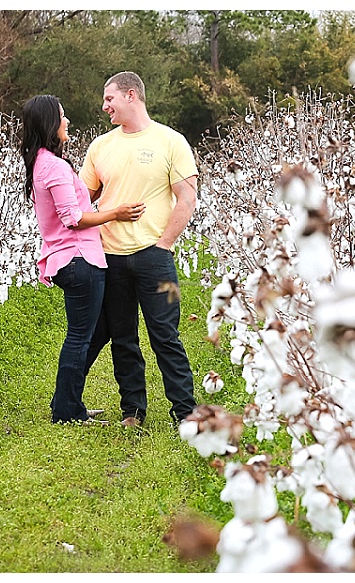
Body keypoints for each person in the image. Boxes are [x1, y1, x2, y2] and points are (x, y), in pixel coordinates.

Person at [80, 71, 198, 428]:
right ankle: (133, 410)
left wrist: (164, 245)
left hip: (156, 258)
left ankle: (185, 412)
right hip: (110, 259)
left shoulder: (171, 141)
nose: (104, 107)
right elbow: (82, 199)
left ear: (131, 95)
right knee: (123, 336)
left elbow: (187, 196)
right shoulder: (100, 147)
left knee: (166, 335)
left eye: (109, 99)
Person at [20, 94, 140, 426]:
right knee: (80, 336)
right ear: (49, 124)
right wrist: (116, 213)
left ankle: (66, 400)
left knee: (98, 330)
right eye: (62, 116)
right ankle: (67, 412)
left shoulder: (43, 163)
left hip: (74, 260)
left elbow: (74, 201)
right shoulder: (54, 166)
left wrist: (101, 190)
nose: (67, 121)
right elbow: (73, 218)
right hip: (78, 260)